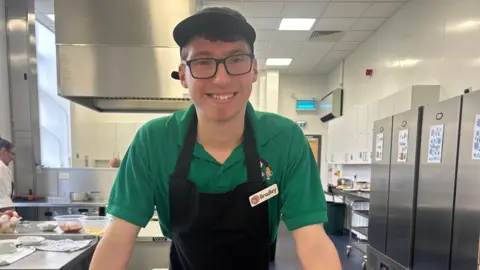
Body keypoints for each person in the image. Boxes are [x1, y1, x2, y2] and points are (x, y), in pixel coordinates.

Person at [90, 7, 341, 270]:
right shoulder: (153, 141)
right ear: (184, 75)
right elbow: (118, 236)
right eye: (203, 62)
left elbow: (313, 240)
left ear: (254, 69)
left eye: (236, 59)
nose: (221, 79)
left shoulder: (285, 139)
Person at [0, 137, 15, 210]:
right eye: (12, 153)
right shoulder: (2, 168)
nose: (12, 158)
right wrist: (12, 214)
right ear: (4, 151)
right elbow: (4, 199)